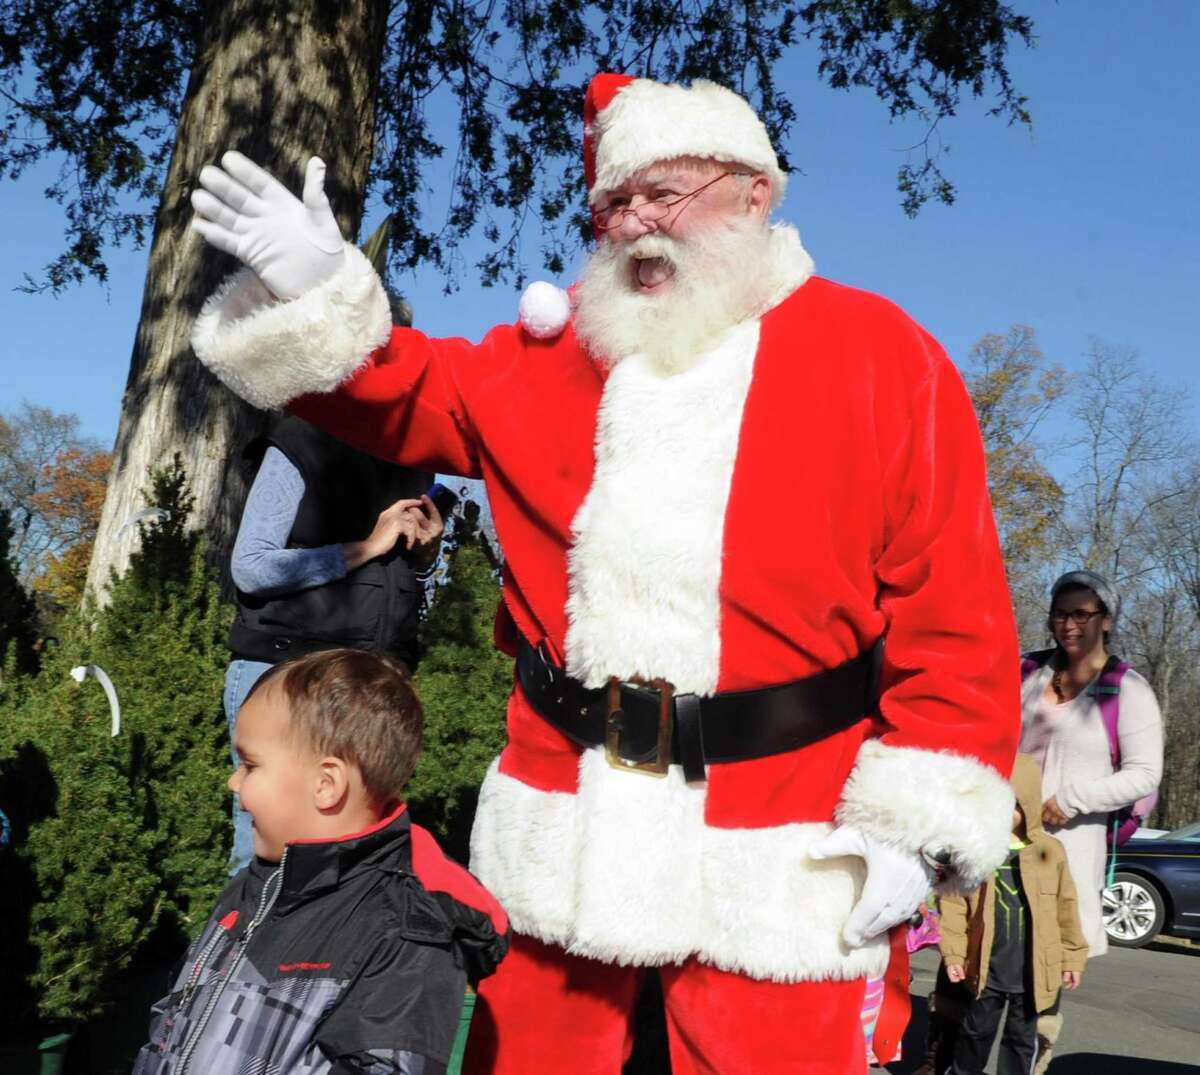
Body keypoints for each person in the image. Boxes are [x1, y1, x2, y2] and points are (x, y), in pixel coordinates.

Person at [188, 73, 1021, 1074]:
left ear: (755, 191)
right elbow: (406, 392)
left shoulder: (883, 357)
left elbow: (955, 616)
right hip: (563, 828)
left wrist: (909, 834)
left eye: (662, 194)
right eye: (613, 204)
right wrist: (315, 292)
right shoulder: (558, 351)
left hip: (786, 837)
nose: (636, 224)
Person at [132, 648, 510, 1074]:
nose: (232, 782)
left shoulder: (404, 933)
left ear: (326, 785)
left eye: (250, 765)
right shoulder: (252, 888)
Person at [223, 413, 444, 868]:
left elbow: (405, 584)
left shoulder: (416, 455)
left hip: (368, 680)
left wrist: (425, 556)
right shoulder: (299, 440)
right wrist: (365, 547)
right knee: (265, 858)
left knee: (354, 861)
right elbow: (251, 566)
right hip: (284, 676)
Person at [1018, 569, 1163, 1069]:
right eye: (1061, 612)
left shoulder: (1127, 688)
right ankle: (951, 1053)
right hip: (1004, 839)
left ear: (1106, 619)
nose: (1069, 624)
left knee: (1046, 965)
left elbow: (1145, 773)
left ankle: (1036, 1056)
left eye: (1083, 613)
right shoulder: (1027, 672)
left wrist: (1074, 799)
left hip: (1069, 849)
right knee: (982, 948)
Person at [937, 754, 1088, 1075]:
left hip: (1033, 972)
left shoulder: (1050, 851)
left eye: (1012, 804)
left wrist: (1072, 957)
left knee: (1021, 1040)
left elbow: (1066, 906)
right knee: (974, 1034)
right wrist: (953, 954)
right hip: (985, 968)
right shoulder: (972, 850)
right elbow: (953, 905)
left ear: (1028, 804)